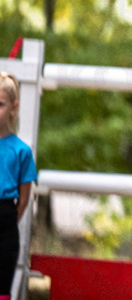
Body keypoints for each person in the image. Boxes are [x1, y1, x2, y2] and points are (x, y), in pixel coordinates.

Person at [0, 72, 36, 300]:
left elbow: (24, 199)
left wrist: (9, 220)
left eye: (0, 104)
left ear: (14, 108)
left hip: (5, 223)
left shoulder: (21, 151)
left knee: (3, 283)